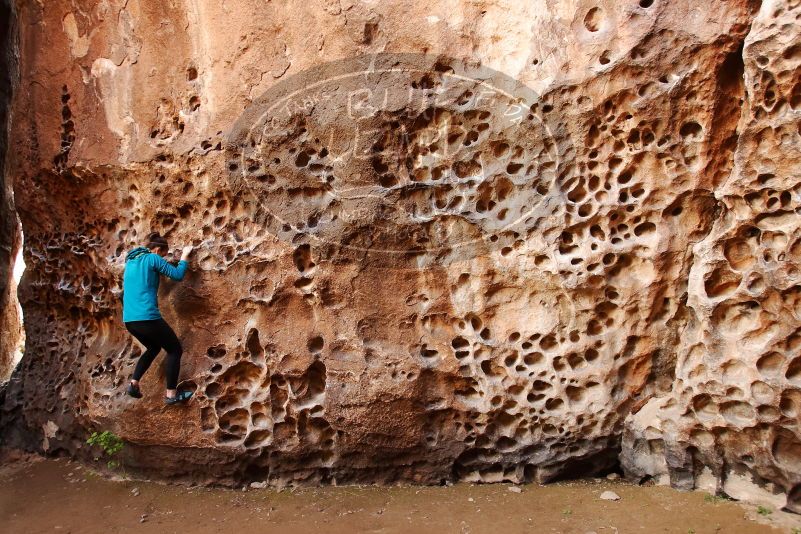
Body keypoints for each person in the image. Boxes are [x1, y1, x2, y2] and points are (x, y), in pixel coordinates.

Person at [122, 232, 194, 405]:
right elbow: (177, 275)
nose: (163, 258)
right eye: (163, 254)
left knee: (153, 348)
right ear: (157, 250)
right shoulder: (152, 258)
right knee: (174, 349)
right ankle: (171, 395)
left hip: (130, 320)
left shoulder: (130, 263)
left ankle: (134, 383)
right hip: (147, 317)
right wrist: (184, 256)